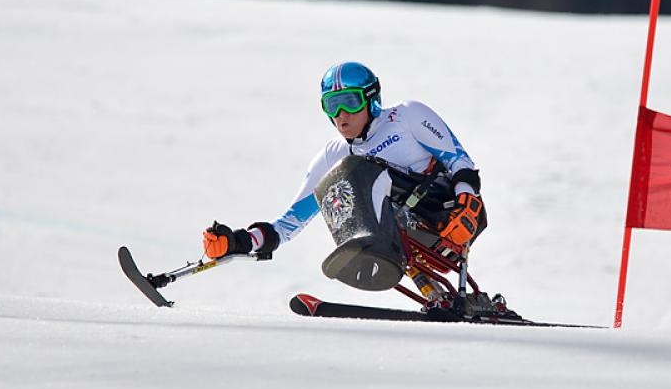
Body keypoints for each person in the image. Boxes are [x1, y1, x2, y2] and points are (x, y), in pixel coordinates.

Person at [201, 62, 486, 288]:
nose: (341, 114)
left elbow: (460, 161)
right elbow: (289, 223)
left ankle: (372, 247)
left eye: (349, 101)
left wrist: (467, 205)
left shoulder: (406, 116)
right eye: (331, 105)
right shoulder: (333, 155)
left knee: (356, 169)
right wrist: (239, 242)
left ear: (371, 100)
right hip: (399, 233)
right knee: (339, 176)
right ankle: (372, 253)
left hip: (446, 217)